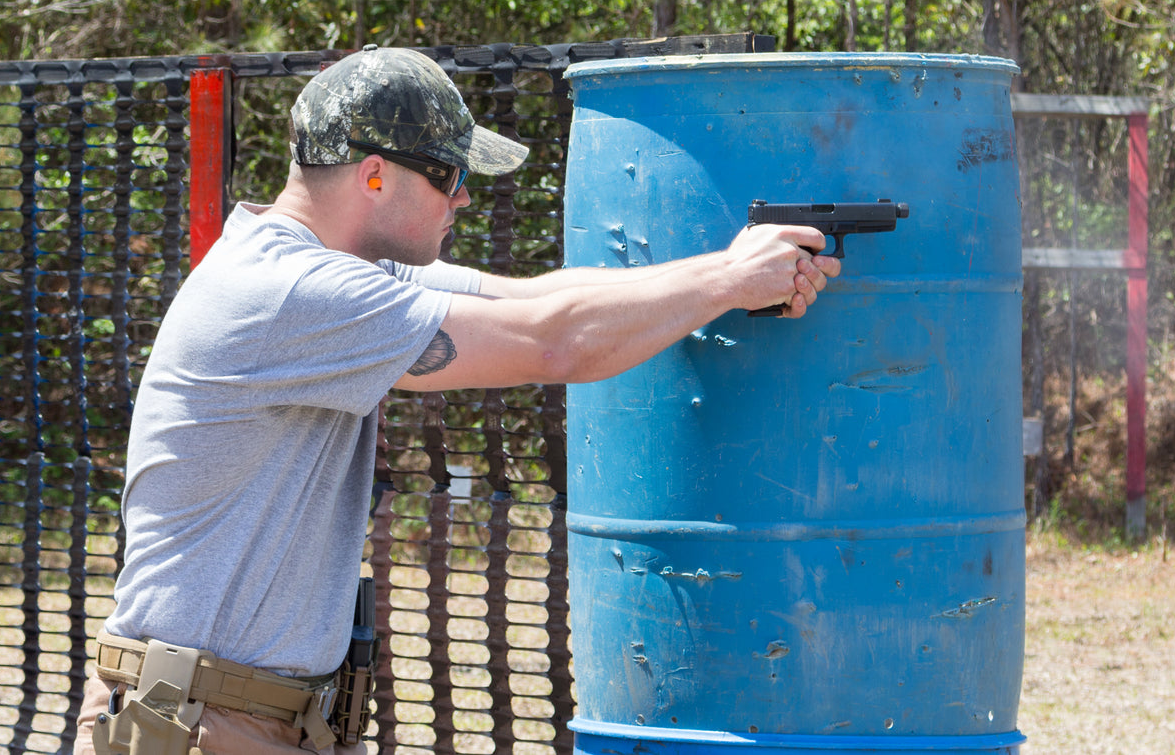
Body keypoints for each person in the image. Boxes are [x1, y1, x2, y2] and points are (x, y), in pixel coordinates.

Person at [74, 45, 839, 755]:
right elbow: (554, 344)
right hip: (197, 722)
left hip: (228, 713)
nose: (464, 196)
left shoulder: (326, 270)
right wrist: (732, 280)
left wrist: (732, 270)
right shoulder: (294, 292)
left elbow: (543, 298)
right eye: (447, 174)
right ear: (375, 175)